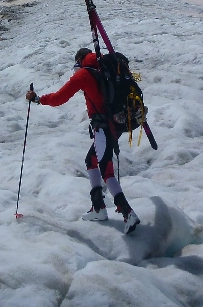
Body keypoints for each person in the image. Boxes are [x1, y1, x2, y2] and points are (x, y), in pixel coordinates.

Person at [26, 47, 141, 234]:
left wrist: (38, 99)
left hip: (102, 127)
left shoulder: (85, 75)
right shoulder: (108, 69)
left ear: (80, 60)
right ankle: (98, 208)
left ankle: (127, 212)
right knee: (91, 160)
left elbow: (58, 98)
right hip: (116, 123)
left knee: (106, 170)